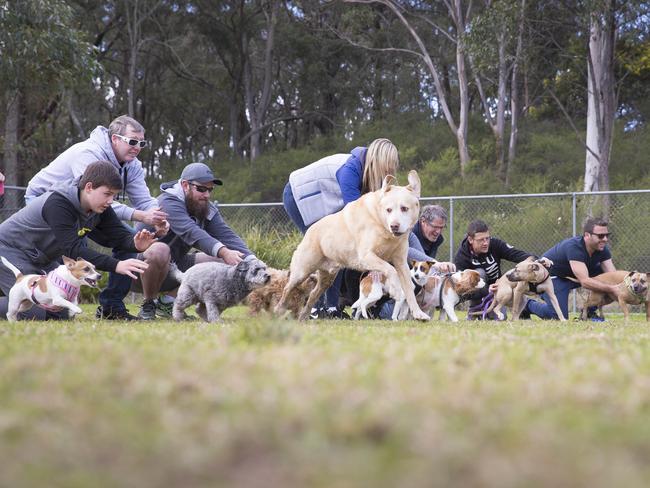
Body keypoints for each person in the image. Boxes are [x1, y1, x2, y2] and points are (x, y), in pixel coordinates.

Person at [25, 115, 168, 320]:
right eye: (133, 141)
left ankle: (112, 307)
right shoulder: (88, 153)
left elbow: (143, 201)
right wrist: (139, 215)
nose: (138, 147)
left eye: (142, 143)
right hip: (45, 201)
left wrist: (157, 217)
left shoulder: (133, 165)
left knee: (128, 242)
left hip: (87, 209)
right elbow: (95, 197)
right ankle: (50, 299)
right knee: (72, 248)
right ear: (115, 139)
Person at [0, 161, 160, 321]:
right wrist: (116, 265)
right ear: (89, 187)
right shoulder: (58, 203)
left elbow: (118, 235)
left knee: (61, 312)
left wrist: (135, 244)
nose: (111, 200)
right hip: (9, 250)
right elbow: (73, 250)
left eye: (114, 195)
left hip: (40, 258)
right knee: (33, 313)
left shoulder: (99, 207)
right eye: (107, 194)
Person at [283, 138, 399, 319]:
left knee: (339, 252)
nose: (390, 171)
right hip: (299, 196)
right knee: (324, 252)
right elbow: (357, 216)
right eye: (388, 167)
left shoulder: (368, 176)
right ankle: (315, 308)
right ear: (378, 161)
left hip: (324, 202)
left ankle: (330, 308)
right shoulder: (350, 171)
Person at [134, 162, 255, 319]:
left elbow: (227, 235)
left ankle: (167, 303)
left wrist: (254, 262)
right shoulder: (167, 202)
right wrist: (224, 251)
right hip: (137, 271)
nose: (207, 195)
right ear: (185, 185)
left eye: (210, 190)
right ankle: (148, 304)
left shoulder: (204, 207)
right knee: (160, 249)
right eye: (201, 189)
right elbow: (192, 232)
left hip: (173, 269)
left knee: (227, 260)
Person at [524, 217, 618, 320]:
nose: (605, 239)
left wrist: (627, 287)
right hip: (551, 277)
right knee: (558, 317)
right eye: (600, 236)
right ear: (587, 235)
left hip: (573, 276)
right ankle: (526, 305)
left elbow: (613, 276)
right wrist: (612, 289)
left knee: (609, 280)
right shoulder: (574, 247)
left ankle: (588, 312)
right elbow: (585, 282)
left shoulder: (602, 248)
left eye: (607, 235)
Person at [454, 219, 535, 319]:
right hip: (479, 292)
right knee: (479, 273)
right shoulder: (461, 257)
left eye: (487, 238)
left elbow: (516, 254)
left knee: (502, 318)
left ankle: (523, 312)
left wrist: (537, 261)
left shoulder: (495, 244)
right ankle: (475, 309)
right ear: (470, 239)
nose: (485, 243)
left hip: (498, 291)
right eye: (481, 240)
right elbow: (460, 290)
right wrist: (487, 290)